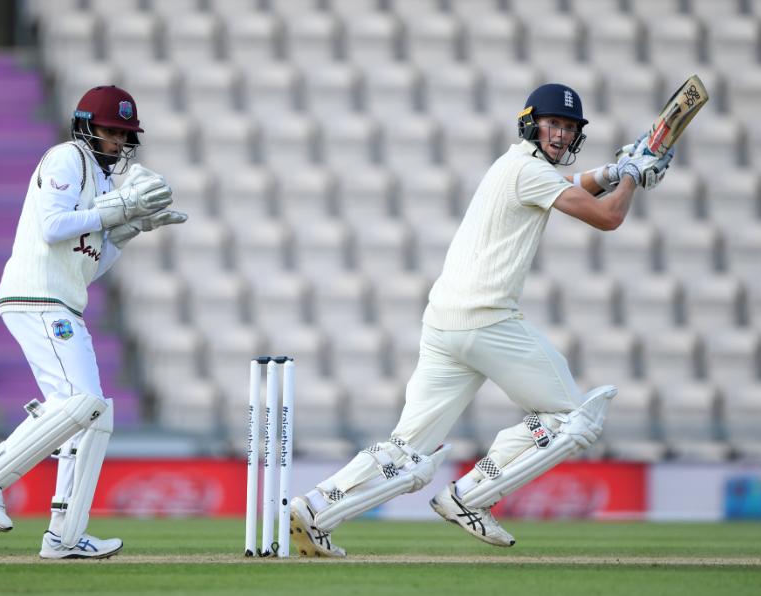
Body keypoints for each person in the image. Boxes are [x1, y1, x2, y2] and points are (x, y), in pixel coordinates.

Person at [288, 83, 674, 557]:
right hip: (488, 321)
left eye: (570, 128)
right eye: (554, 124)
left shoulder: (513, 166)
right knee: (572, 419)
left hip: (444, 322)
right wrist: (632, 177)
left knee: (410, 452)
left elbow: (572, 189)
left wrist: (616, 170)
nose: (561, 134)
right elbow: (608, 218)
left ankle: (316, 508)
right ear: (532, 123)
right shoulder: (529, 172)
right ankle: (471, 495)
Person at [0, 85, 187, 559]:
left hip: (63, 301)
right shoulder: (66, 158)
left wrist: (131, 226)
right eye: (109, 131)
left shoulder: (101, 184)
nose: (117, 142)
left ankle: (64, 536)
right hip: (35, 296)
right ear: (85, 126)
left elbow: (89, 263)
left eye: (124, 135)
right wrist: (120, 208)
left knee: (93, 413)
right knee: (81, 402)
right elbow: (53, 226)